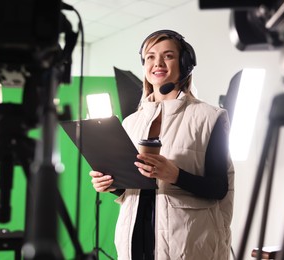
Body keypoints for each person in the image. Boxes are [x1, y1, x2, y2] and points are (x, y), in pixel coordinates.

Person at [89, 29, 234, 260]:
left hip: (186, 242)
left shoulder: (210, 117)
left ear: (185, 64)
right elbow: (132, 187)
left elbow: (218, 188)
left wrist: (175, 175)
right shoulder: (130, 122)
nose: (158, 63)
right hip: (134, 240)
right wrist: (110, 183)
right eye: (150, 57)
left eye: (168, 56)